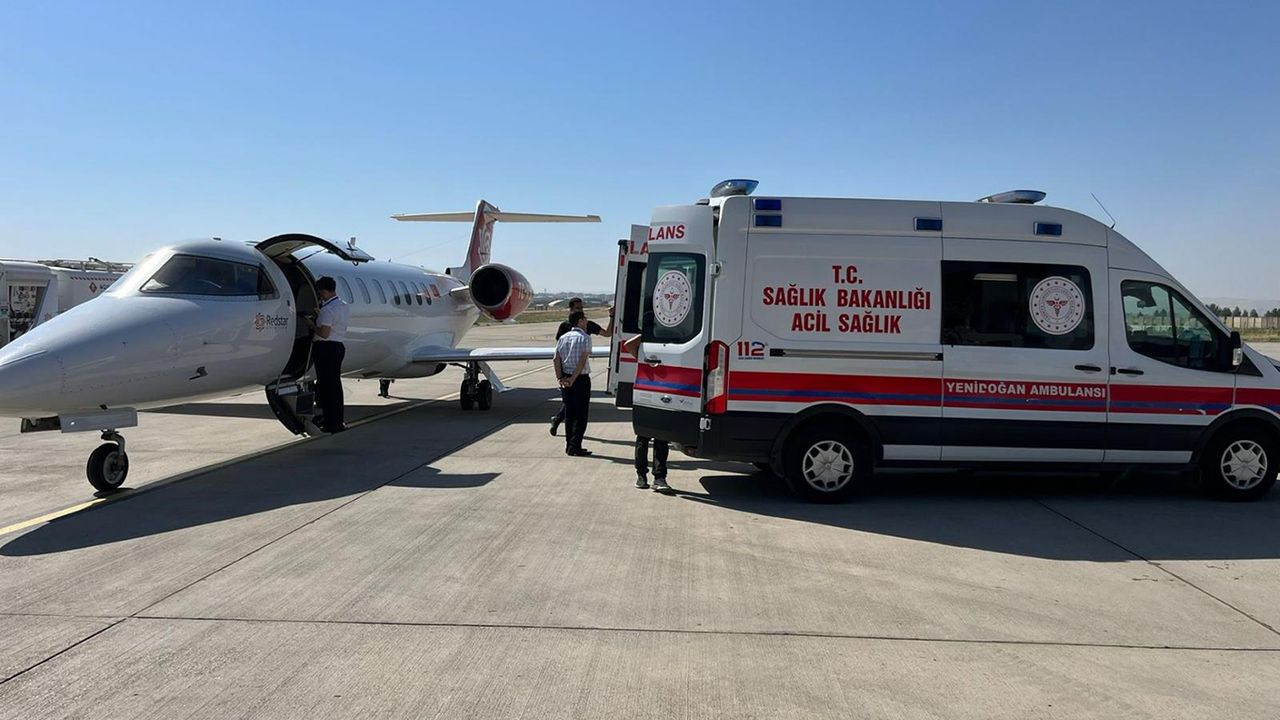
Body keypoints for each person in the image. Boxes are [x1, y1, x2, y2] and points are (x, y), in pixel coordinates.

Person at [550, 298, 613, 436]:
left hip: (578, 371)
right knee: (575, 408)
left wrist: (612, 317)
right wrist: (560, 376)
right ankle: (571, 435)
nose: (581, 311)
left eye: (582, 308)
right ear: (571, 309)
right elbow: (558, 352)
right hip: (568, 371)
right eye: (578, 308)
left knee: (571, 405)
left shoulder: (588, 324)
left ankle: (560, 423)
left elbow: (607, 333)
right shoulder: (564, 327)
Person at [622, 335, 670, 492]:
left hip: (665, 392)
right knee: (643, 437)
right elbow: (628, 345)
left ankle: (659, 477)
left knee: (662, 438)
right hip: (646, 392)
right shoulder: (646, 347)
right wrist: (649, 332)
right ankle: (641, 475)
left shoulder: (671, 346)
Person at [308, 276, 350, 433]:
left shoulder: (327, 310)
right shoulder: (343, 305)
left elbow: (324, 334)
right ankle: (338, 421)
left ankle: (330, 422)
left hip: (325, 349)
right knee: (335, 386)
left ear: (324, 291)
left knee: (326, 387)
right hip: (338, 346)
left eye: (320, 292)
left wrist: (312, 325)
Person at [554, 310, 594, 456]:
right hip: (580, 379)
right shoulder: (585, 338)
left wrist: (560, 378)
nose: (587, 322)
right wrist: (573, 378)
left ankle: (569, 445)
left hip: (565, 379)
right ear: (580, 321)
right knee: (581, 415)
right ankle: (575, 446)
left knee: (569, 414)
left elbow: (556, 359)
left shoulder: (563, 338)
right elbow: (582, 361)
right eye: (585, 319)